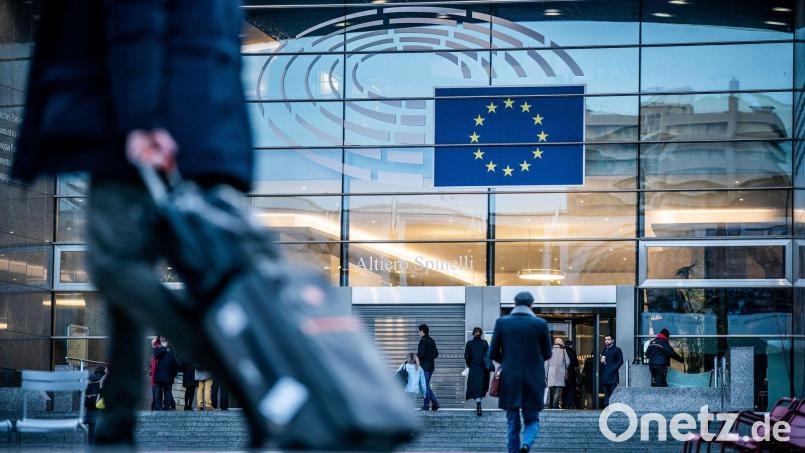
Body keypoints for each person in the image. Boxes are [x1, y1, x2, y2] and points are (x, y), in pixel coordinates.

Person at [11, 0, 255, 446]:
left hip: (137, 137)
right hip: (204, 136)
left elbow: (136, 25)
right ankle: (119, 420)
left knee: (113, 267)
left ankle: (232, 366)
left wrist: (141, 122)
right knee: (136, 279)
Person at [489, 292, 552, 453]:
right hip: (533, 379)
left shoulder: (502, 323)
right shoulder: (540, 324)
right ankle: (526, 444)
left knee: (512, 422)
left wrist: (507, 361)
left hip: (510, 378)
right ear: (531, 305)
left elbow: (493, 352)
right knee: (532, 420)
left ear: (514, 304)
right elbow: (547, 354)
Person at [464, 327, 491, 416]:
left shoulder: (469, 343)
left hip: (474, 368)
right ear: (481, 334)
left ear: (473, 333)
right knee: (480, 388)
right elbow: (488, 355)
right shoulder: (484, 343)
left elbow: (467, 356)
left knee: (475, 388)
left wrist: (470, 365)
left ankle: (478, 406)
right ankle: (479, 406)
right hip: (483, 370)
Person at [417, 324, 440, 411]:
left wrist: (415, 358)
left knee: (424, 386)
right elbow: (436, 354)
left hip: (424, 367)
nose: (419, 333)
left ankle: (431, 404)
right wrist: (430, 357)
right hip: (431, 367)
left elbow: (421, 354)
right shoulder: (432, 340)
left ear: (422, 331)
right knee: (425, 385)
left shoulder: (423, 340)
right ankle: (432, 403)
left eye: (419, 331)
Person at [153, 335, 179, 410]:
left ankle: (167, 407)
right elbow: (155, 354)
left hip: (168, 376)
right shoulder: (158, 347)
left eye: (164, 339)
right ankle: (158, 406)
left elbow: (176, 363)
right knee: (158, 391)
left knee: (167, 392)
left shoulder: (171, 349)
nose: (163, 340)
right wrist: (163, 347)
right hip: (160, 376)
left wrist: (173, 375)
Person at [84, 365, 108, 443]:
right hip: (99, 405)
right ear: (103, 370)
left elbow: (81, 391)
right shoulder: (104, 378)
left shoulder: (89, 378)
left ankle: (90, 446)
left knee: (91, 427)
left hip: (89, 405)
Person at [544, 338, 569, 409]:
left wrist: (545, 374)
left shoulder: (550, 351)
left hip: (551, 372)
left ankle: (549, 404)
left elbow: (546, 364)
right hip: (560, 372)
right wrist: (563, 367)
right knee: (558, 389)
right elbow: (568, 362)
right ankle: (555, 404)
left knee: (551, 389)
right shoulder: (563, 351)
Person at [599, 335, 624, 406]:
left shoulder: (617, 349)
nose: (607, 341)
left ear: (612, 340)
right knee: (606, 394)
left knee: (613, 393)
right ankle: (606, 408)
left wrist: (613, 368)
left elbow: (620, 361)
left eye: (608, 339)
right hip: (605, 375)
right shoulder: (604, 350)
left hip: (613, 375)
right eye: (605, 339)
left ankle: (613, 407)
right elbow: (602, 361)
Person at [562, 339, 580, 409]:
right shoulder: (572, 352)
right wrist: (578, 376)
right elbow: (576, 365)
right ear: (571, 345)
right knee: (571, 390)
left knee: (564, 390)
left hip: (563, 374)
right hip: (571, 374)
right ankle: (568, 404)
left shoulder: (562, 352)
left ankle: (564, 404)